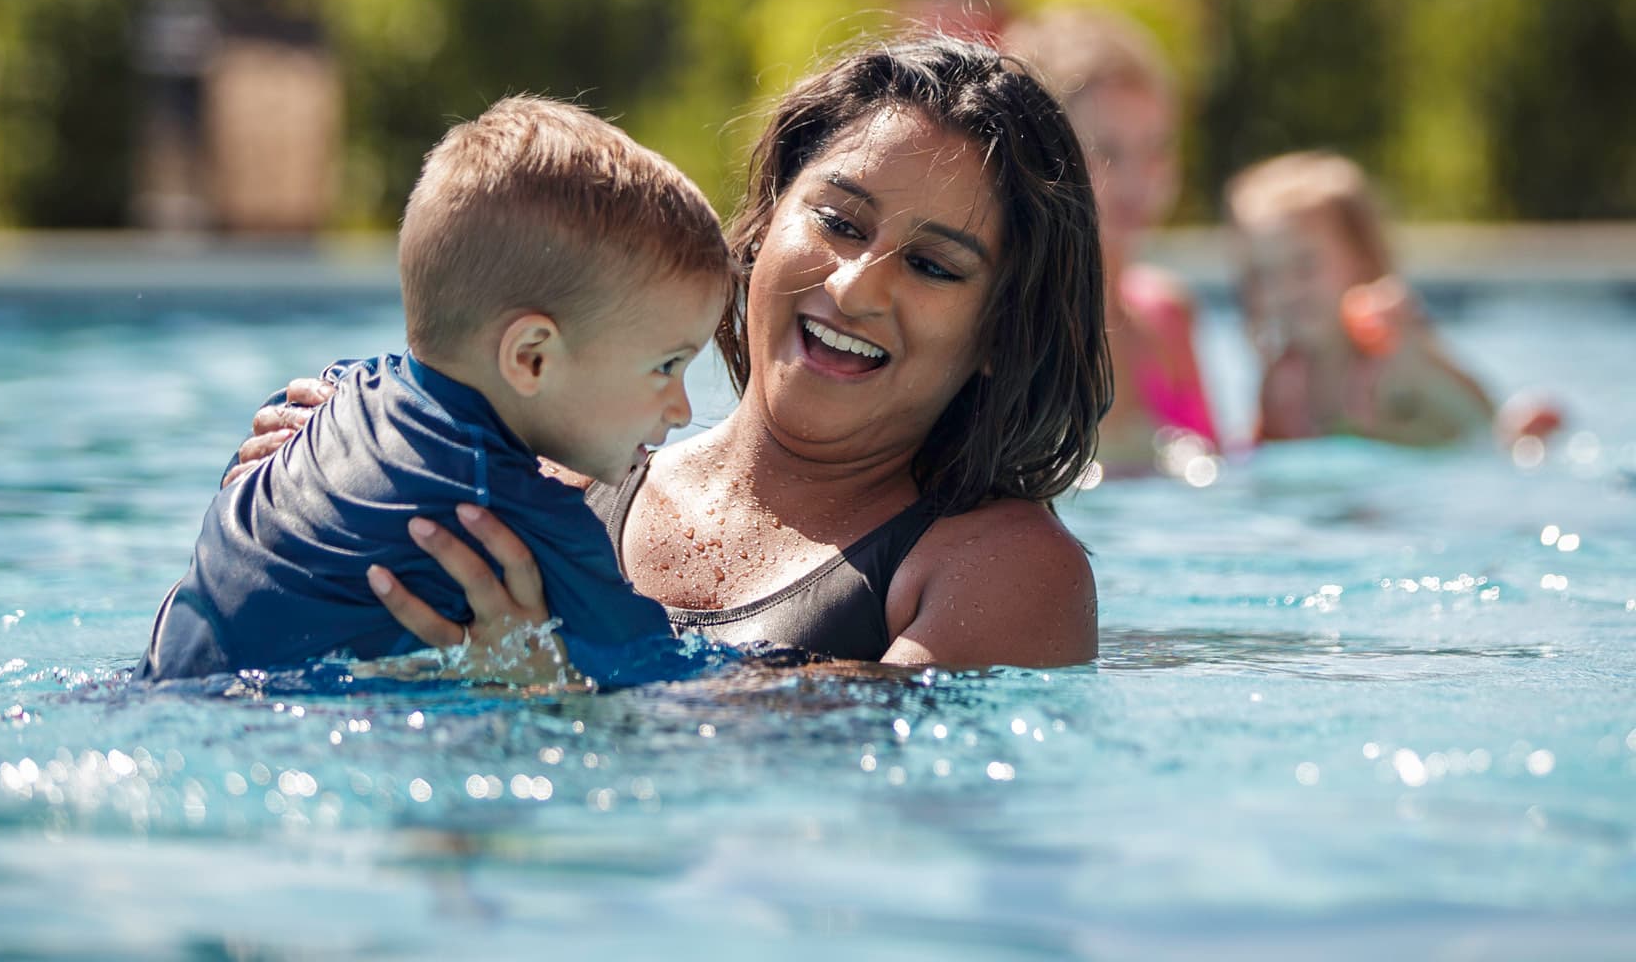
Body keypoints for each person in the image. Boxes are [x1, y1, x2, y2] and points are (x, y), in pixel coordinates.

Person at [229, 36, 1112, 671]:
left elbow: (834, 791)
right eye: (838, 222)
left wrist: (560, 697)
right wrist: (319, 480)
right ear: (764, 229)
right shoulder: (556, 479)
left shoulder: (999, 571)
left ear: (1003, 331)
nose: (853, 289)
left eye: (931, 266)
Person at [135, 96, 731, 682]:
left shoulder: (338, 394)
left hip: (152, 687)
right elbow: (657, 674)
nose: (681, 409)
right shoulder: (512, 514)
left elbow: (276, 419)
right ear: (531, 357)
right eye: (666, 367)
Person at [1003, 7, 1217, 472]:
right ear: (1041, 155)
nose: (1140, 180)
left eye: (1157, 148)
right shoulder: (1014, 329)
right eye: (1108, 151)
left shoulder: (1169, 317)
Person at [1225, 150, 1498, 446]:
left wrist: (1412, 349)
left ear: (1362, 259)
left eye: (1305, 266)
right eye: (1266, 275)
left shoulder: (1390, 353)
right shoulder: (1284, 382)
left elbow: (1484, 427)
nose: (1286, 290)